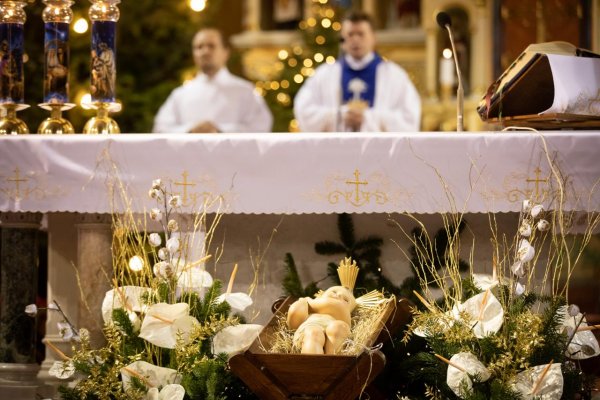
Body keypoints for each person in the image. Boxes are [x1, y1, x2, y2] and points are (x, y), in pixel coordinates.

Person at [293, 11, 421, 132]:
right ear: (342, 40)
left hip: (380, 151)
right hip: (336, 150)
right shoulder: (325, 74)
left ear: (373, 38)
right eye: (350, 34)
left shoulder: (395, 75)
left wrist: (368, 118)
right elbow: (304, 110)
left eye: (360, 34)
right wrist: (339, 116)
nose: (355, 40)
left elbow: (410, 118)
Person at [153, 29, 273, 133]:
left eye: (211, 46)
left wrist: (220, 130)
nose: (205, 52)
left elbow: (261, 126)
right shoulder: (180, 94)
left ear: (226, 52)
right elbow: (161, 128)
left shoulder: (245, 90)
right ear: (194, 55)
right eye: (199, 47)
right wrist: (190, 129)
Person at [286, 258, 359, 355]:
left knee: (338, 328)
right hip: (310, 330)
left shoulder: (342, 317)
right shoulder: (309, 306)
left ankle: (332, 362)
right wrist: (304, 303)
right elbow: (294, 318)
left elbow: (338, 308)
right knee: (314, 333)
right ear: (322, 295)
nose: (339, 295)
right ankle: (313, 363)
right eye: (334, 292)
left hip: (335, 332)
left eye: (346, 300)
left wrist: (312, 303)